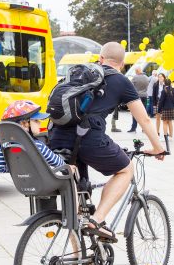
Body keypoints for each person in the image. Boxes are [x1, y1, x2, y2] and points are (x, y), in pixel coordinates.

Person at [50, 42, 165, 240]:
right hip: (86, 137)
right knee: (126, 169)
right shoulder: (120, 80)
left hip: (57, 137)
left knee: (76, 203)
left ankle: (80, 261)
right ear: (122, 64)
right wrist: (157, 147)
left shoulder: (81, 74)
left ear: (101, 59)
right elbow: (144, 119)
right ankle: (97, 219)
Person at [0, 100, 65, 173]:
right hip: (44, 183)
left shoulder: (7, 147)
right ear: (24, 124)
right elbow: (61, 165)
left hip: (21, 183)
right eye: (36, 120)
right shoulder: (38, 146)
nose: (40, 122)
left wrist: (14, 171)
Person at [128, 67, 149, 132]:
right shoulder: (146, 77)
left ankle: (133, 128)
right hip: (145, 96)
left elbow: (130, 86)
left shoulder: (135, 77)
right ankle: (144, 128)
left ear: (137, 71)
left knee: (135, 112)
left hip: (137, 96)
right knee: (144, 112)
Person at [152, 73, 167, 137]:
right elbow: (153, 95)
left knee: (165, 119)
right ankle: (157, 132)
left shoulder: (166, 85)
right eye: (159, 77)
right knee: (158, 118)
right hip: (158, 101)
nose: (160, 78)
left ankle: (166, 132)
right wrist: (154, 104)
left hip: (164, 102)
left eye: (161, 77)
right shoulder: (155, 85)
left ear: (164, 78)